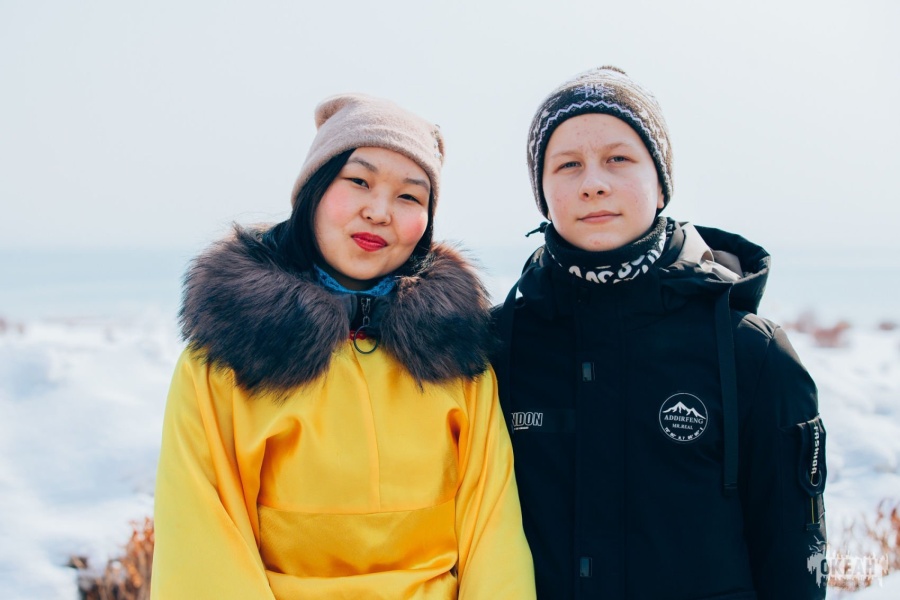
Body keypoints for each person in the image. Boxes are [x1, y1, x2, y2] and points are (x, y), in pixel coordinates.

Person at [151, 93, 535, 599]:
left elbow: (494, 533)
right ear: (313, 189)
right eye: (358, 181)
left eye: (409, 197)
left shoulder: (457, 358)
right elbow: (202, 546)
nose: (379, 212)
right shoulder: (226, 360)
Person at [492, 67, 827, 599]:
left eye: (618, 159)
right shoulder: (496, 347)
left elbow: (794, 567)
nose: (593, 183)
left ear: (660, 181)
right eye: (568, 164)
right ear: (543, 192)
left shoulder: (752, 353)